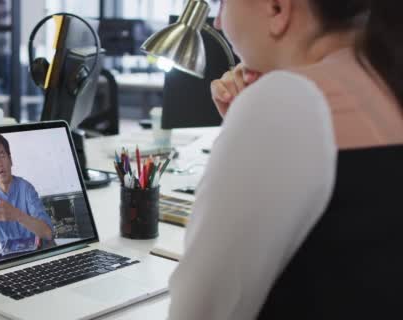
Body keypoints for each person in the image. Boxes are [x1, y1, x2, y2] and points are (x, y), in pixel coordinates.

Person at [168, 1, 403, 319]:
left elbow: (199, 310)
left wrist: (254, 120)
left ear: (278, 9)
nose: (220, 22)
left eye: (223, 3)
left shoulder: (289, 100)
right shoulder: (385, 81)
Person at [0, 133, 53, 253]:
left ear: (10, 160)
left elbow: (48, 234)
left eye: (2, 155)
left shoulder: (26, 189)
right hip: (8, 258)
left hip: (35, 254)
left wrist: (17, 215)